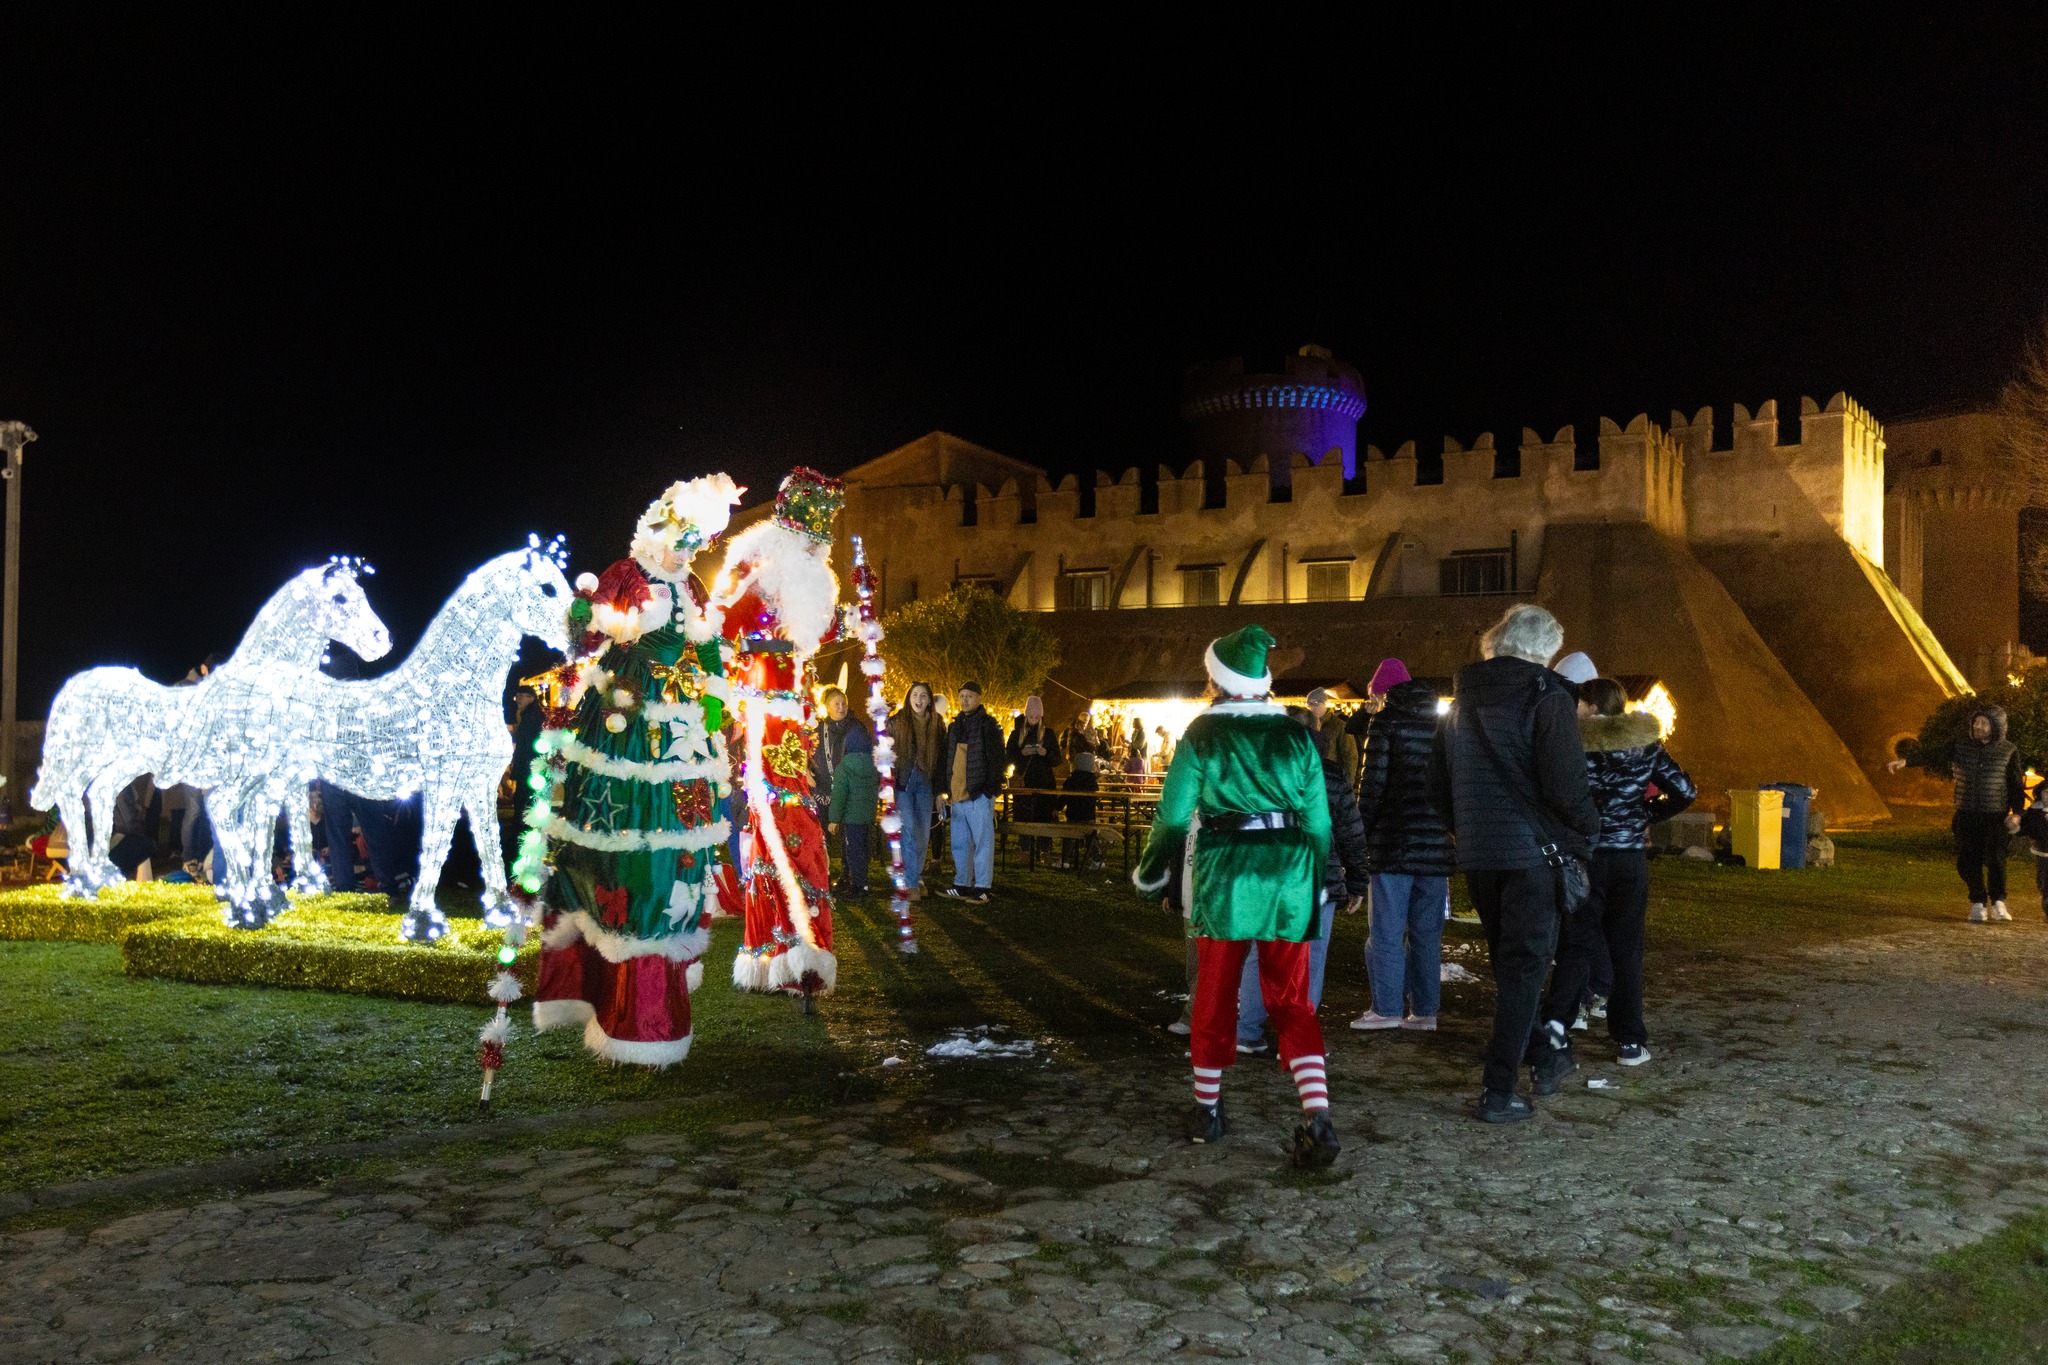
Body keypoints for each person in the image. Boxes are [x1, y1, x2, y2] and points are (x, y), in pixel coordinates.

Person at [1132, 625, 1340, 1168]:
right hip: (1289, 870)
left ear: (1216, 680)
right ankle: (1317, 1113)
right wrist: (1315, 877)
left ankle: (1207, 1111)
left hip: (1227, 872)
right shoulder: (1296, 735)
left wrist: (1153, 869)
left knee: (1215, 993)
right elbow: (1319, 818)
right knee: (1292, 999)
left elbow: (1173, 815)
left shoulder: (1202, 733)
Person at [1428, 603, 1598, 1123]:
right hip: (1532, 855)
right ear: (1545, 649)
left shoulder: (1460, 702)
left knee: (1511, 967)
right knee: (1524, 969)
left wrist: (1469, 829)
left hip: (1480, 853)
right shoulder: (1547, 698)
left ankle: (1546, 1057)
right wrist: (1588, 831)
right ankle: (1498, 1090)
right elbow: (1567, 787)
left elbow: (1437, 785)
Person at [714, 467, 844, 998]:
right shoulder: (759, 567)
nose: (818, 551)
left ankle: (787, 944)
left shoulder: (806, 578)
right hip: (765, 715)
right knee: (781, 817)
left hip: (794, 716)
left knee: (791, 819)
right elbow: (724, 622)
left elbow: (820, 629)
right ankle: (786, 944)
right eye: (813, 541)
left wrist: (857, 614)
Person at [1538, 678, 1695, 1068]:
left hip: (1587, 857)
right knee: (1627, 950)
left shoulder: (1572, 745)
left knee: (1576, 944)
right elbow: (1684, 790)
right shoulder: (1644, 744)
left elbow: (1555, 797)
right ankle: (1629, 1040)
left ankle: (1556, 1025)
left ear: (1591, 707)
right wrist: (1647, 815)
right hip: (1629, 860)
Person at [1235, 704, 1370, 1054]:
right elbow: (1351, 832)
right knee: (1310, 957)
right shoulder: (1330, 776)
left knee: (1260, 953)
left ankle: (1246, 1029)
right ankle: (1296, 1039)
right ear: (1317, 731)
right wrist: (1357, 880)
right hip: (1315, 879)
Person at [1352, 658, 1456, 1032]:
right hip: (1436, 845)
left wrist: (1358, 835)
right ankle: (1425, 1011)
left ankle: (1387, 1008)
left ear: (1383, 693)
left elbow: (1372, 786)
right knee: (1427, 935)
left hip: (1393, 843)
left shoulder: (1386, 722)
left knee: (1387, 932)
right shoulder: (1444, 725)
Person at [1890, 707, 2026, 922]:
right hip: (1966, 813)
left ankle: (1999, 902)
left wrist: (2017, 813)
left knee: (1996, 860)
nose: (1978, 727)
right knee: (1967, 860)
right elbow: (1933, 754)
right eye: (1976, 722)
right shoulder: (1960, 745)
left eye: (1984, 723)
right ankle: (1978, 902)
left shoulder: (2008, 751)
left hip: (1995, 815)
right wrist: (1907, 761)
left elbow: (2016, 786)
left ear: (1996, 727)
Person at [941, 680, 1006, 903]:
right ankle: (962, 884)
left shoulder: (988, 725)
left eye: (969, 696)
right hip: (958, 794)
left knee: (982, 841)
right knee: (960, 842)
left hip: (979, 794)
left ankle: (982, 886)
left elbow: (997, 759)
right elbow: (948, 759)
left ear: (979, 698)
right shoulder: (955, 727)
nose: (965, 700)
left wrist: (989, 789)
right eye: (962, 696)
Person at [888, 682, 947, 897]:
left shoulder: (937, 724)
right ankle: (911, 883)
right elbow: (885, 749)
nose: (919, 699)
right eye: (915, 695)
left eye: (923, 695)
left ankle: (916, 875)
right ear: (909, 697)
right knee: (909, 829)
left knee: (923, 833)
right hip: (904, 782)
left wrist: (940, 790)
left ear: (930, 700)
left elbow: (941, 760)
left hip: (926, 783)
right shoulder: (897, 721)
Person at [828, 717, 880, 896]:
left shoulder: (844, 768)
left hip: (851, 819)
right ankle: (864, 882)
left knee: (853, 851)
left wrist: (834, 819)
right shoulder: (874, 767)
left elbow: (839, 796)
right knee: (864, 849)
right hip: (867, 818)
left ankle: (859, 885)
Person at [1007, 695, 1062, 859]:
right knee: (1024, 816)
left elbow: (1057, 760)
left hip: (1045, 782)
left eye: (1037, 717)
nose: (1034, 720)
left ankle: (1044, 849)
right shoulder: (1017, 733)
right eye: (1031, 717)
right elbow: (1007, 756)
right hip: (1024, 782)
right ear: (1026, 715)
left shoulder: (1048, 734)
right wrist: (1021, 753)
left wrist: (1045, 753)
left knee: (1044, 816)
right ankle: (1025, 849)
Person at [1061, 716, 1102, 870]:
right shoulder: (1092, 783)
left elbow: (1063, 798)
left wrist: (1056, 809)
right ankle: (1097, 859)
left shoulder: (1071, 781)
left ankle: (1066, 860)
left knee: (1069, 835)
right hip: (1089, 818)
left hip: (1072, 817)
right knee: (1090, 835)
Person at [108, 774, 162, 881]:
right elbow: (127, 822)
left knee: (144, 845)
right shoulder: (121, 785)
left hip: (110, 841)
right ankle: (142, 885)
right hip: (115, 841)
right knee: (145, 846)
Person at [1306, 687, 1359, 783]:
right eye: (1309, 705)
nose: (1312, 708)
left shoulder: (1339, 726)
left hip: (1333, 778)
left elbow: (1350, 756)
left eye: (1315, 703)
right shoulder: (1307, 725)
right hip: (1312, 778)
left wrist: (1348, 782)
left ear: (1324, 704)